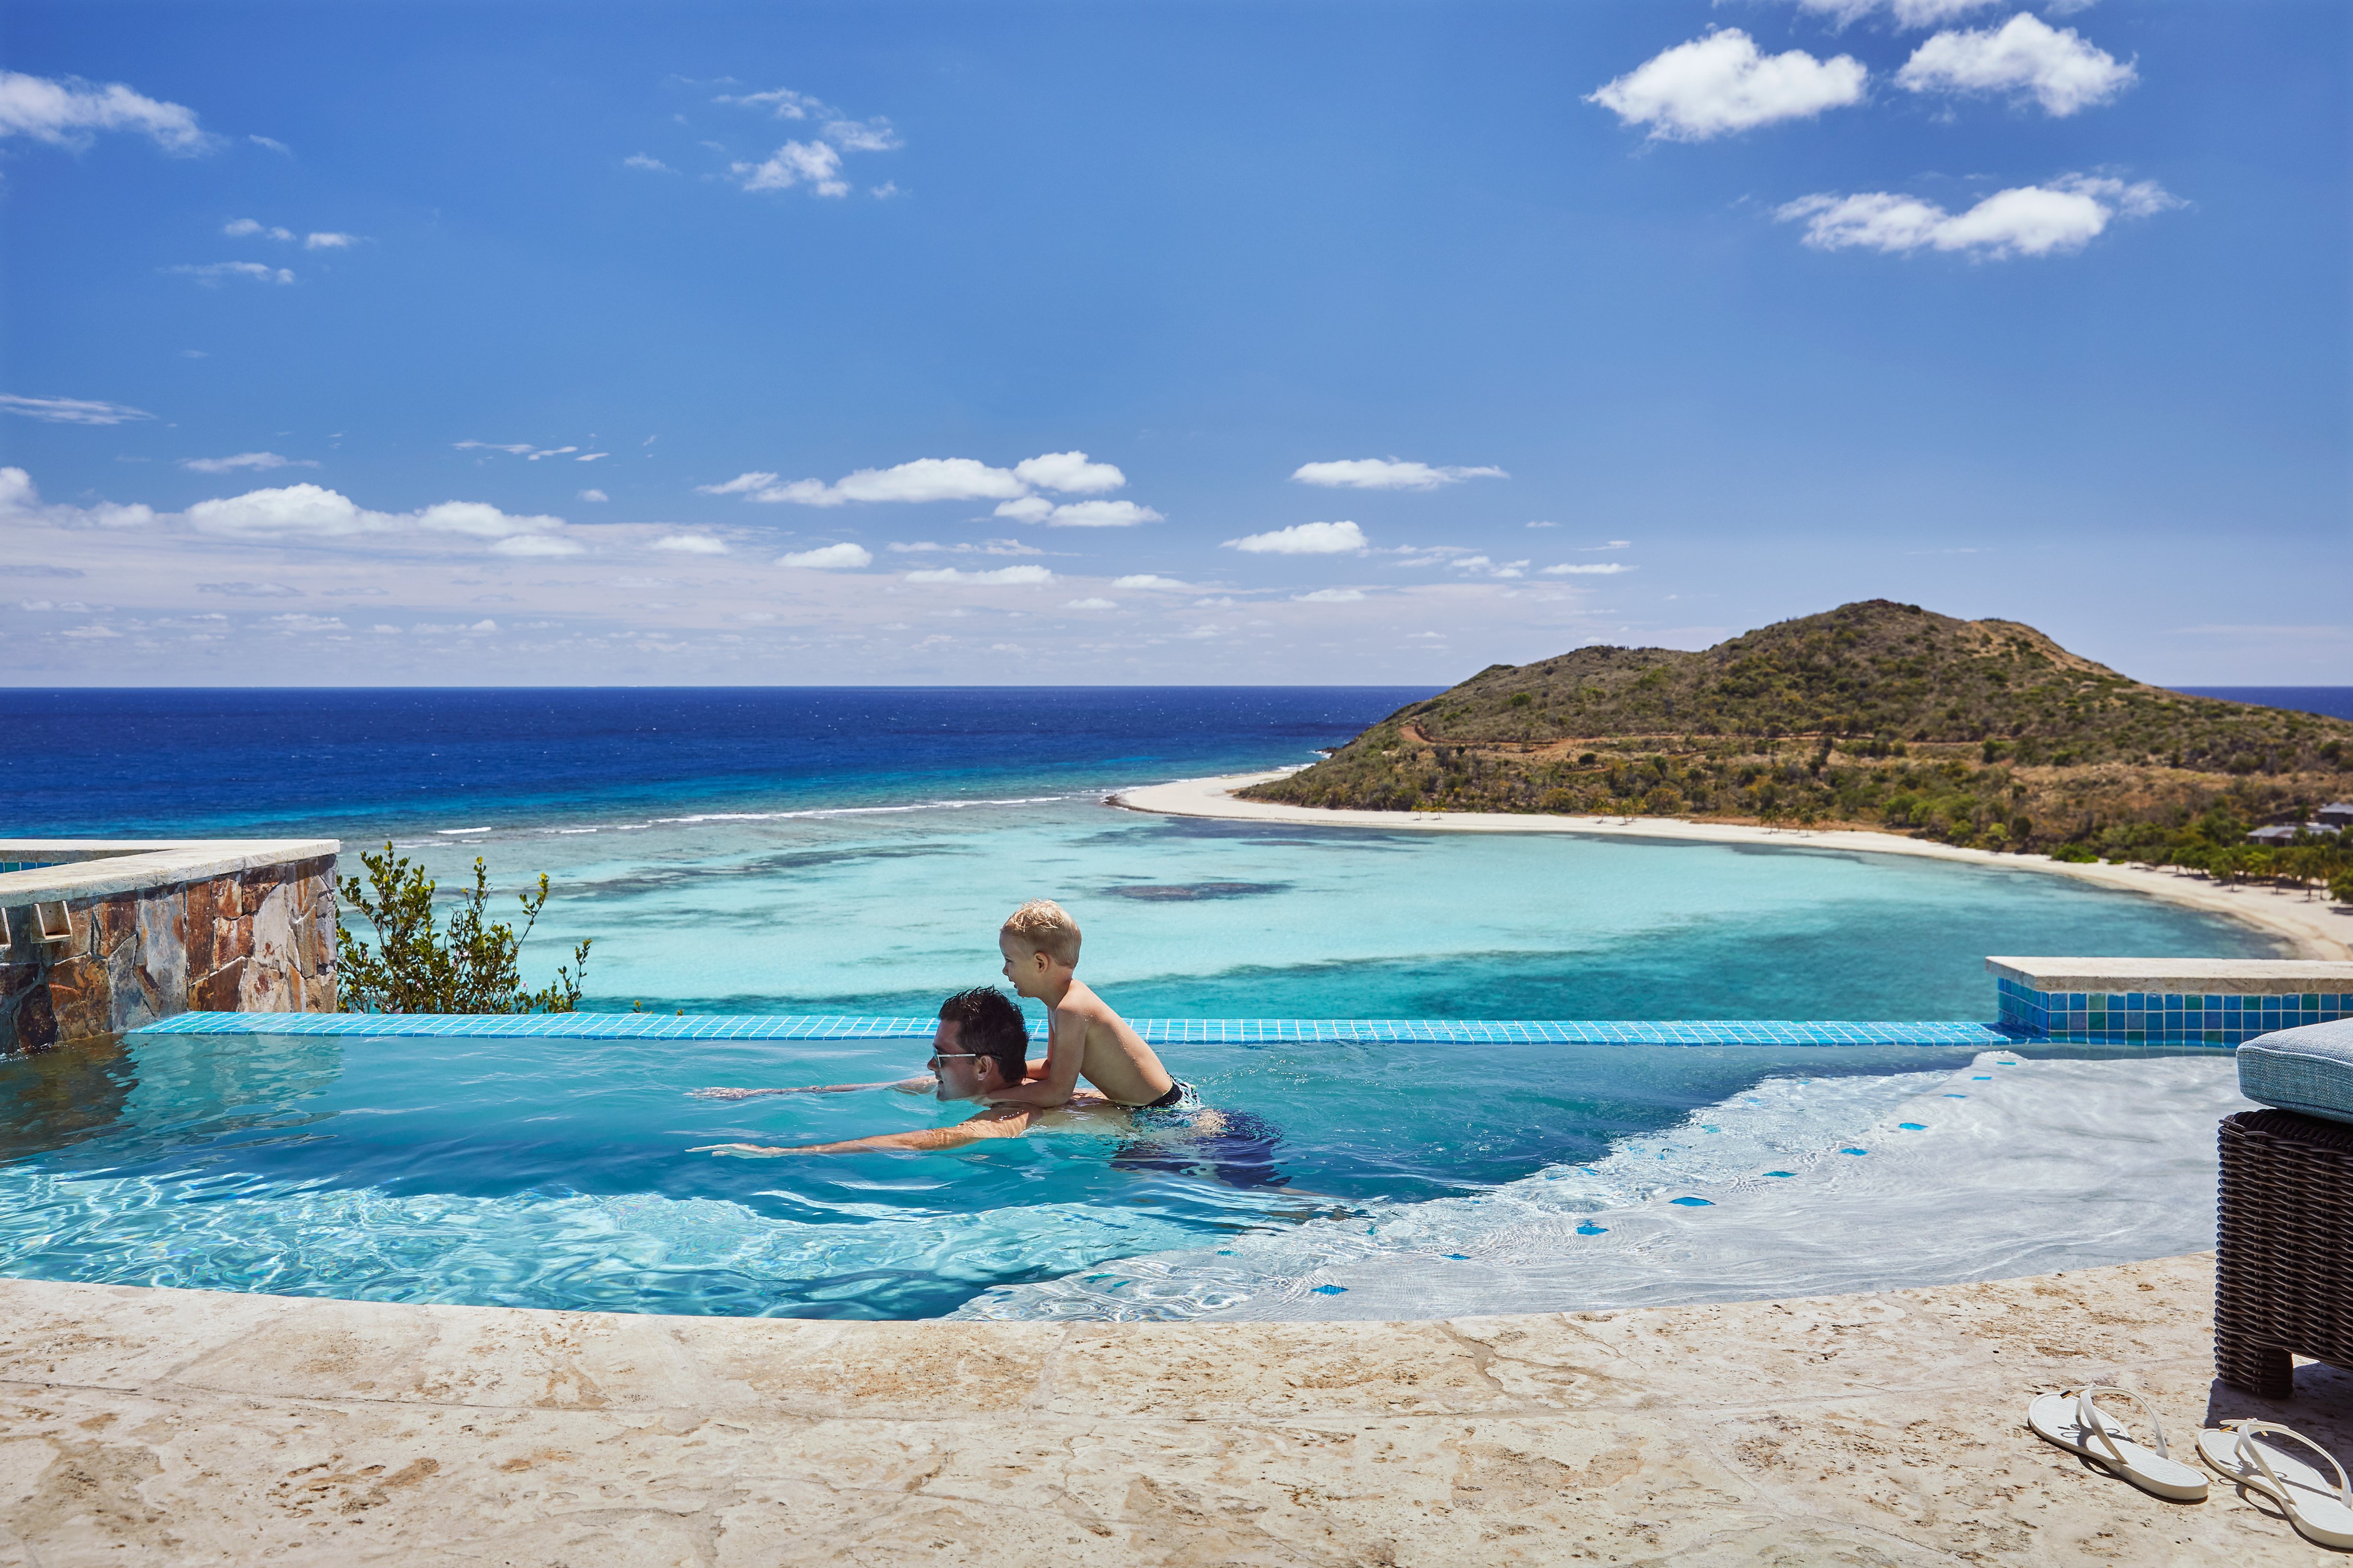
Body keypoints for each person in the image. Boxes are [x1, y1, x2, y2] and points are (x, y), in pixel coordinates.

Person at [691, 986, 1111, 1157]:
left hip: (1160, 1147)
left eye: (942, 1058)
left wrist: (786, 1154)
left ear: (983, 1067)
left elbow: (930, 1140)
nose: (931, 1067)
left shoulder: (1012, 1113)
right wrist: (759, 1095)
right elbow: (883, 1086)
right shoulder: (976, 1088)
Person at [982, 898, 1191, 1111]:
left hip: (1164, 1111)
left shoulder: (1071, 1009)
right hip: (1162, 1100)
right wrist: (1006, 1073)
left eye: (1009, 961)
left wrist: (989, 1097)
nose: (1005, 971)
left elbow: (1057, 1093)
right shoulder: (1060, 1003)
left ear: (1040, 964)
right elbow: (1051, 1068)